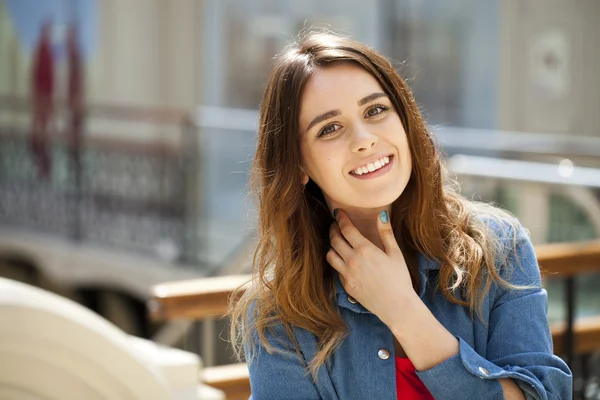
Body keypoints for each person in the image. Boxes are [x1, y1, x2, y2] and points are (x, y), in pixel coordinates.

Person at [228, 30, 572, 400]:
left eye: (375, 110)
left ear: (404, 120)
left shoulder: (499, 249)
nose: (364, 139)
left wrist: (403, 311)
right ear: (298, 164)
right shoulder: (279, 315)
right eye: (329, 128)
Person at [30, 20, 55, 180]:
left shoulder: (48, 52)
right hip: (41, 100)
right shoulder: (40, 50)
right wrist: (37, 98)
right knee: (39, 134)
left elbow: (51, 79)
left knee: (44, 134)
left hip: (46, 100)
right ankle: (42, 166)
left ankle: (45, 168)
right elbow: (36, 75)